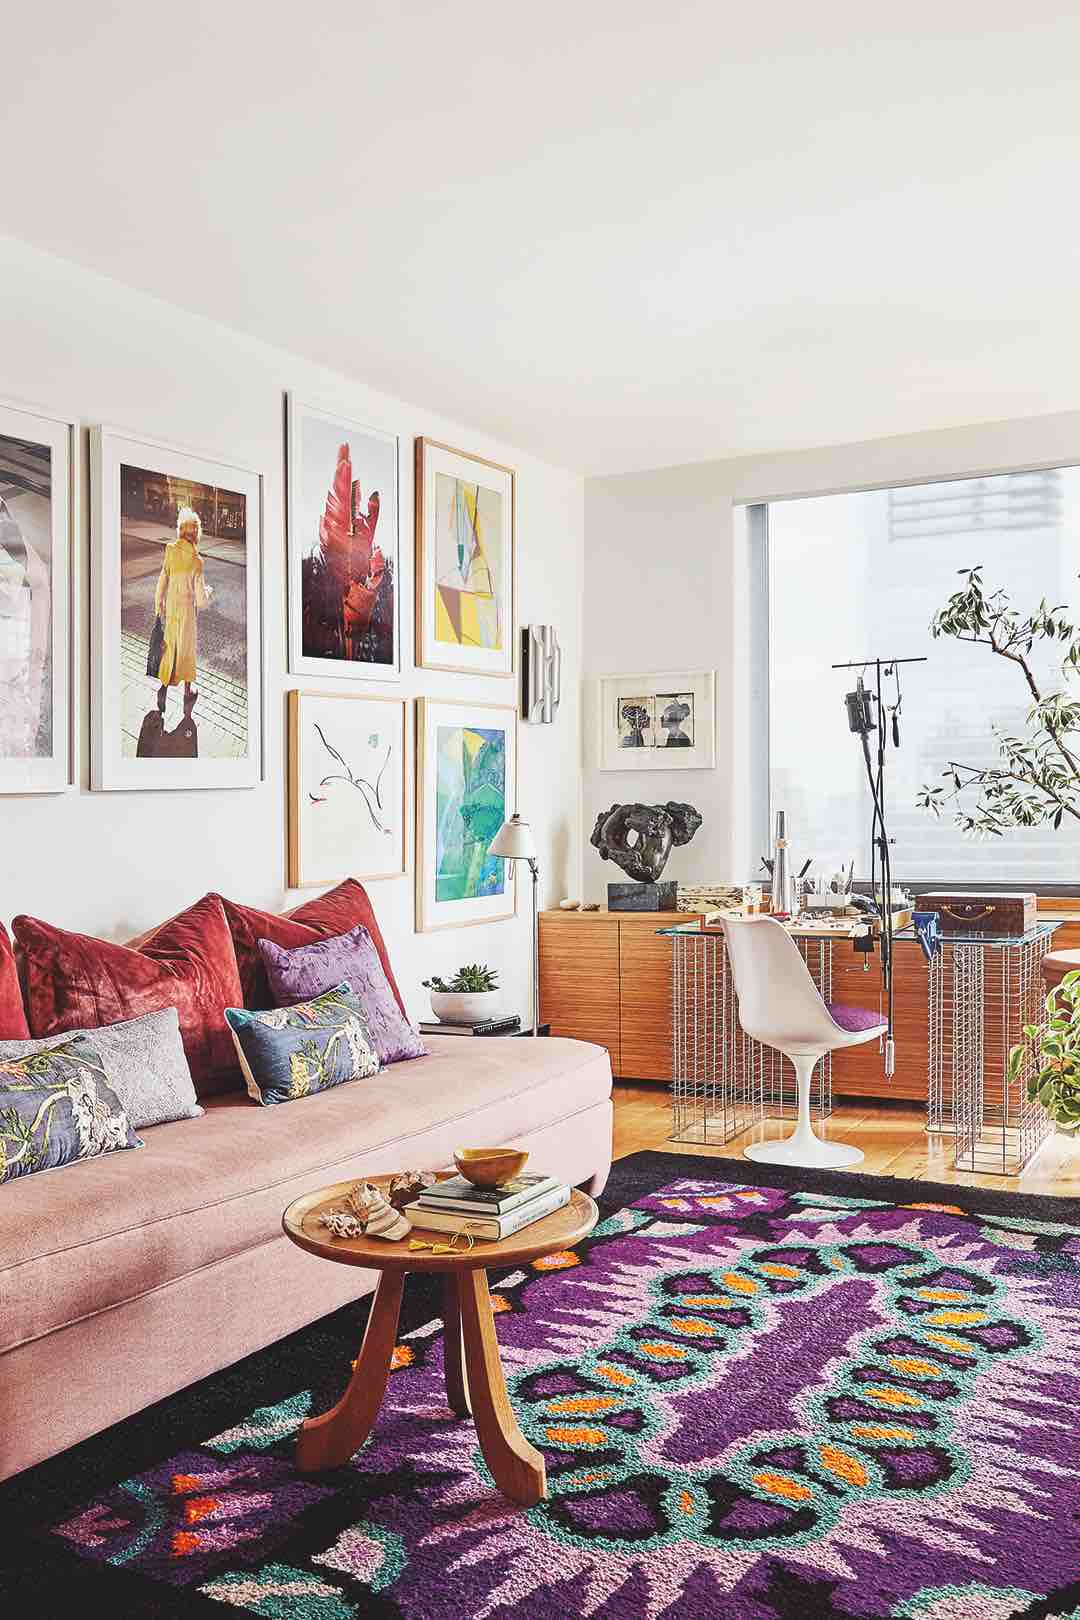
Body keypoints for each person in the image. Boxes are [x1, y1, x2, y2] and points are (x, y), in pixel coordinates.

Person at [153, 506, 213, 715]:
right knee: (186, 652)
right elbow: (202, 601)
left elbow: (162, 579)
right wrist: (208, 591)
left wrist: (158, 603)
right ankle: (187, 694)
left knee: (169, 650)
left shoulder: (170, 550)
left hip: (171, 612)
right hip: (188, 615)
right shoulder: (197, 561)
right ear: (196, 534)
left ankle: (163, 689)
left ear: (180, 531)